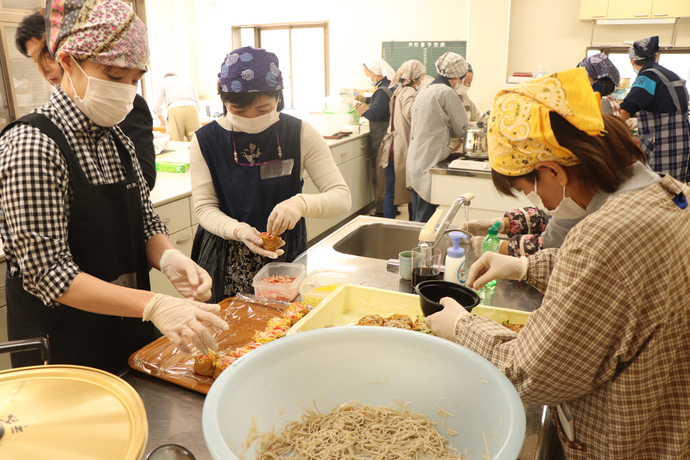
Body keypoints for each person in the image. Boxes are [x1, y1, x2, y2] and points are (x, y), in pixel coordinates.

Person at [427, 68, 690, 459]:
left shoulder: (606, 235)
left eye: (528, 189)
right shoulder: (667, 194)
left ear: (552, 170)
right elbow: (620, 287)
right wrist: (525, 267)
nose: (540, 204)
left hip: (623, 444)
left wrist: (462, 326)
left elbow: (529, 373)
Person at [0, 0, 228, 374]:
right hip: (65, 343)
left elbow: (144, 220)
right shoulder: (33, 145)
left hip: (122, 326)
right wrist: (154, 304)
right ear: (69, 62)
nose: (127, 90)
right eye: (113, 76)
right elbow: (48, 273)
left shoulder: (115, 138)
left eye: (135, 79)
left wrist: (170, 257)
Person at [190, 47, 351, 303]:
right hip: (223, 253)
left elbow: (341, 197)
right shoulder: (205, 140)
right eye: (239, 111)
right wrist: (237, 230)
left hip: (283, 257)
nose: (251, 118)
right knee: (227, 333)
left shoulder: (300, 133)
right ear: (224, 102)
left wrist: (300, 203)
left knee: (282, 327)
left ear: (279, 97)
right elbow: (204, 207)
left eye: (263, 108)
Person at [15, 9, 157, 190]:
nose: (45, 68)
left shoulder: (116, 130)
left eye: (135, 80)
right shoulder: (33, 144)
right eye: (35, 60)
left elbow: (143, 182)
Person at [407, 52, 468, 222]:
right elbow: (461, 129)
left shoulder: (424, 90)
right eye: (463, 79)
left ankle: (416, 248)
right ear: (457, 77)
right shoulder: (447, 93)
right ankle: (424, 249)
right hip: (430, 161)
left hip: (416, 161)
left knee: (417, 217)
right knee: (428, 223)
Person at [620, 36, 690, 181]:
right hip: (681, 141)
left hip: (662, 144)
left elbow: (627, 109)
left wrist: (608, 130)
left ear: (632, 60)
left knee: (659, 187)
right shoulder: (671, 75)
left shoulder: (647, 77)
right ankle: (681, 205)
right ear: (655, 57)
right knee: (676, 186)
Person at [377, 60, 426, 219]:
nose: (422, 79)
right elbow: (412, 116)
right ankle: (411, 224)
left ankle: (387, 224)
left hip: (392, 147)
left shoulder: (399, 91)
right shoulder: (409, 92)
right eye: (421, 76)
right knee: (412, 189)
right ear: (414, 77)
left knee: (391, 188)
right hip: (401, 149)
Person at [355, 58, 396, 216]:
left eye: (368, 74)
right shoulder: (389, 87)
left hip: (381, 138)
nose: (367, 76)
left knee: (379, 177)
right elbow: (380, 102)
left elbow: (374, 114)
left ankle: (381, 211)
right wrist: (366, 100)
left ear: (376, 73)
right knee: (389, 178)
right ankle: (391, 207)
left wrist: (360, 107)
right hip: (391, 137)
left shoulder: (381, 90)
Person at [154, 70, 201, 142]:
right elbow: (197, 101)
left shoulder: (163, 81)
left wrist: (162, 120)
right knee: (196, 140)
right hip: (192, 108)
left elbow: (157, 103)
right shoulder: (188, 81)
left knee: (176, 141)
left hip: (175, 109)